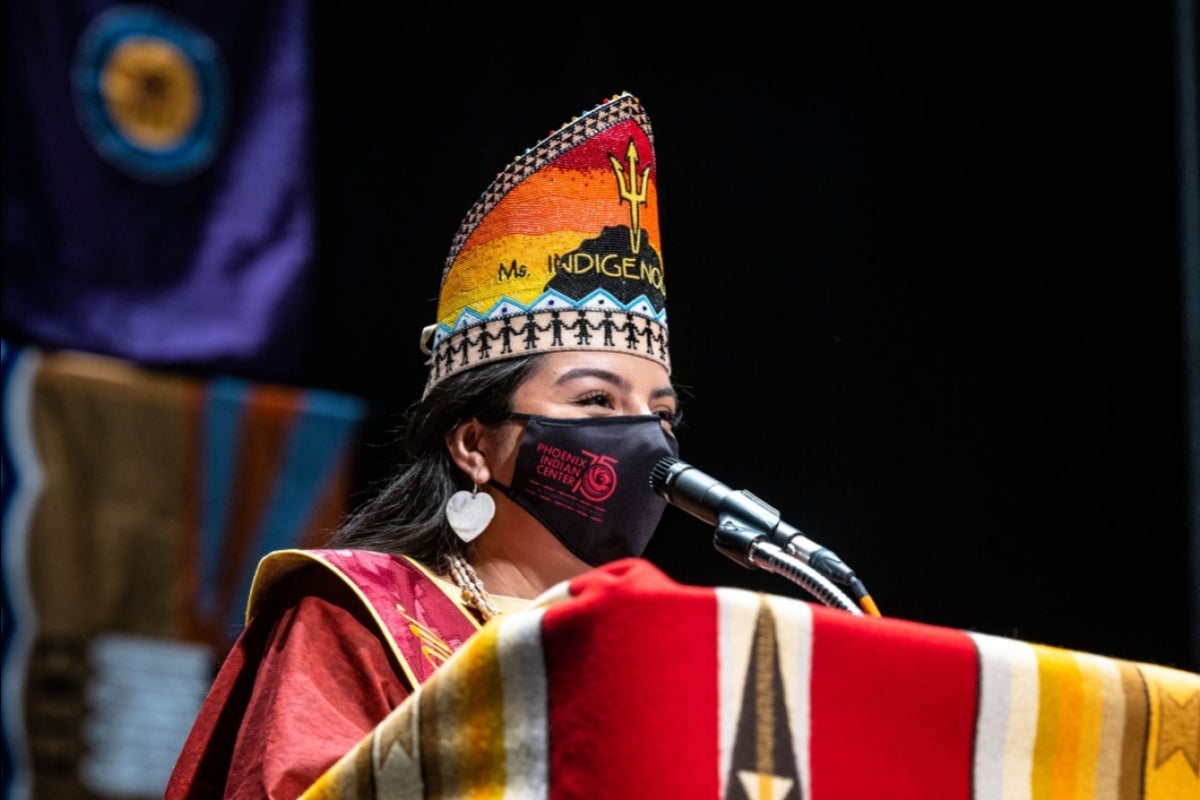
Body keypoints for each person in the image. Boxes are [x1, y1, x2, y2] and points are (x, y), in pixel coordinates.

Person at [164, 91, 682, 799]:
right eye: (595, 401)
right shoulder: (354, 618)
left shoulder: (658, 656)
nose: (645, 439)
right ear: (473, 442)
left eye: (661, 414)